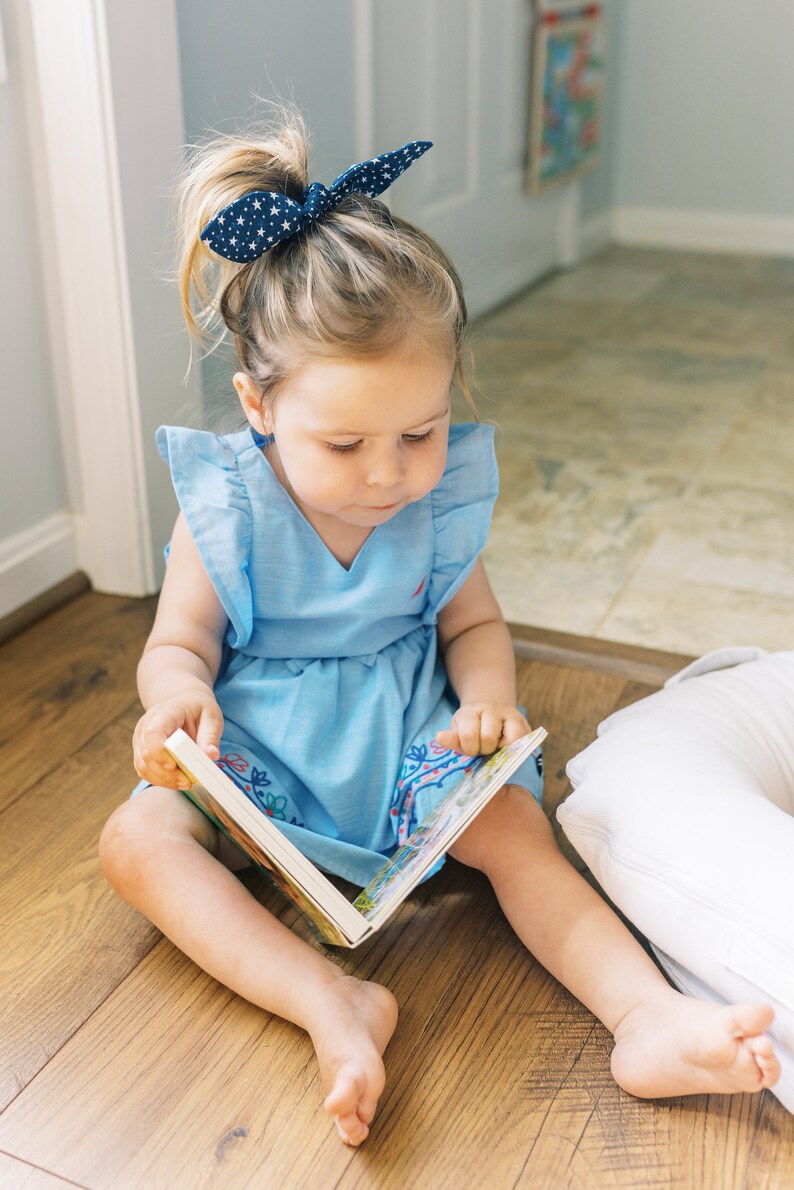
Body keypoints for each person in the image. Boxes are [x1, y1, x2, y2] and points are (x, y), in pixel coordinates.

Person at [99, 115, 780, 1147]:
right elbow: (176, 644)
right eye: (345, 442)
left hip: (410, 747)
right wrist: (174, 698)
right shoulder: (226, 510)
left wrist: (482, 700)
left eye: (419, 433)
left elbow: (476, 624)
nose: (388, 472)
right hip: (263, 755)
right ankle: (328, 1000)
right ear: (257, 406)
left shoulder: (430, 506)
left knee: (515, 831)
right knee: (136, 841)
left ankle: (643, 1014)